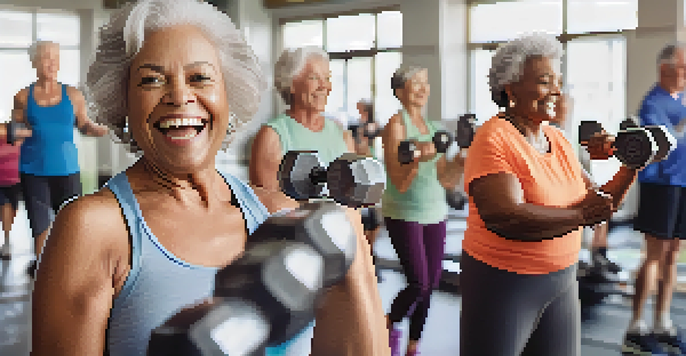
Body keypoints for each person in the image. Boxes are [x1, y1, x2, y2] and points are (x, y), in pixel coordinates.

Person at [31, 1, 389, 356]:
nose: (180, 96)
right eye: (152, 79)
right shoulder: (92, 228)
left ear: (228, 96)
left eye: (200, 77)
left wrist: (350, 230)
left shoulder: (278, 213)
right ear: (123, 102)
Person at [459, 33, 639, 356]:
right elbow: (505, 216)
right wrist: (582, 216)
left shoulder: (558, 139)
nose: (557, 91)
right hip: (503, 283)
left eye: (558, 81)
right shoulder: (494, 138)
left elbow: (600, 204)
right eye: (545, 81)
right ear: (510, 88)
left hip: (561, 283)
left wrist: (630, 165)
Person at [382, 65, 465, 356]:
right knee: (418, 283)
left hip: (435, 213)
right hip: (403, 213)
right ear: (399, 91)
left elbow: (446, 179)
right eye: (414, 83)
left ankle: (412, 347)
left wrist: (461, 161)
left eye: (425, 82)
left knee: (430, 285)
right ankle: (388, 325)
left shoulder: (435, 129)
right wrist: (417, 158)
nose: (421, 88)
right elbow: (399, 183)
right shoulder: (395, 126)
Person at [11, 40, 108, 273]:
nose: (52, 62)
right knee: (39, 224)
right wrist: (20, 131)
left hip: (67, 169)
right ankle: (45, 271)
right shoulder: (23, 96)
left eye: (56, 57)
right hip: (33, 169)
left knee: (70, 224)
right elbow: (14, 130)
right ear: (34, 62)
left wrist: (100, 129)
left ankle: (69, 270)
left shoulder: (73, 95)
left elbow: (83, 125)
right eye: (46, 57)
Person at [623, 43, 686, 355]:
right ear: (666, 69)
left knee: (673, 254)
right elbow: (665, 144)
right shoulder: (652, 103)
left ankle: (662, 320)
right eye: (684, 69)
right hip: (660, 185)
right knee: (654, 256)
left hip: (683, 183)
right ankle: (636, 325)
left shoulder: (682, 98)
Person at [352, 99, 384, 282]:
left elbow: (368, 148)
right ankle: (367, 264)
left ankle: (372, 261)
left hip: (372, 175)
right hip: (360, 178)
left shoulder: (371, 126)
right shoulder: (357, 128)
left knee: (373, 222)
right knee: (365, 221)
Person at [0, 123, 32, 258]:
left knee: (12, 211)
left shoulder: (21, 132)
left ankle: (8, 239)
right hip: (1, 179)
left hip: (17, 179)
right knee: (5, 206)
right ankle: (7, 242)